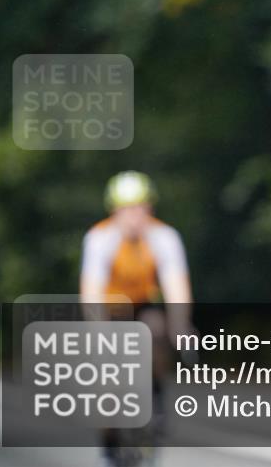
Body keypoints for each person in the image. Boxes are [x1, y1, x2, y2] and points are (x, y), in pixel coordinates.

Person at [80, 171, 193, 466]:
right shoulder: (99, 238)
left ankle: (155, 395)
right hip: (110, 309)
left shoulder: (164, 237)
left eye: (142, 208)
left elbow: (176, 287)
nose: (136, 216)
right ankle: (108, 446)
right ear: (114, 211)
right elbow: (91, 293)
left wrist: (180, 327)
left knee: (156, 330)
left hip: (142, 306)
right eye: (128, 209)